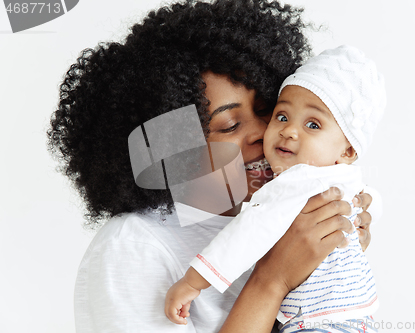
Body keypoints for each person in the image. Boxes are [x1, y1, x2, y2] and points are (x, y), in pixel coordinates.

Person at [47, 1, 378, 332]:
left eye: (269, 111)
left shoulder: (279, 217)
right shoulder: (133, 247)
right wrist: (272, 279)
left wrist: (331, 259)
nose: (263, 133)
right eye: (230, 125)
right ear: (176, 147)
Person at [164, 46, 384, 332]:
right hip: (359, 314)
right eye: (281, 116)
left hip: (315, 322)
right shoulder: (343, 178)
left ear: (348, 150)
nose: (289, 131)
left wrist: (193, 281)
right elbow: (372, 201)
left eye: (313, 125)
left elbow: (246, 234)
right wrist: (362, 220)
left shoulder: (292, 185)